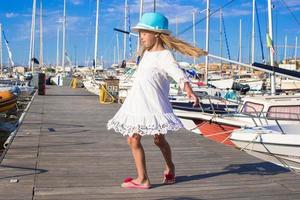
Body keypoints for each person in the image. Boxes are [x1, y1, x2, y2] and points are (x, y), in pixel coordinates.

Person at [107, 12, 207, 189]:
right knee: (132, 140)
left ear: (157, 34)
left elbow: (178, 74)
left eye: (144, 33)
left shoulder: (165, 56)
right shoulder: (146, 53)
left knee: (158, 140)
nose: (141, 36)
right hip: (138, 103)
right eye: (140, 33)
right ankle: (143, 178)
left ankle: (169, 167)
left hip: (154, 105)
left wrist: (189, 90)